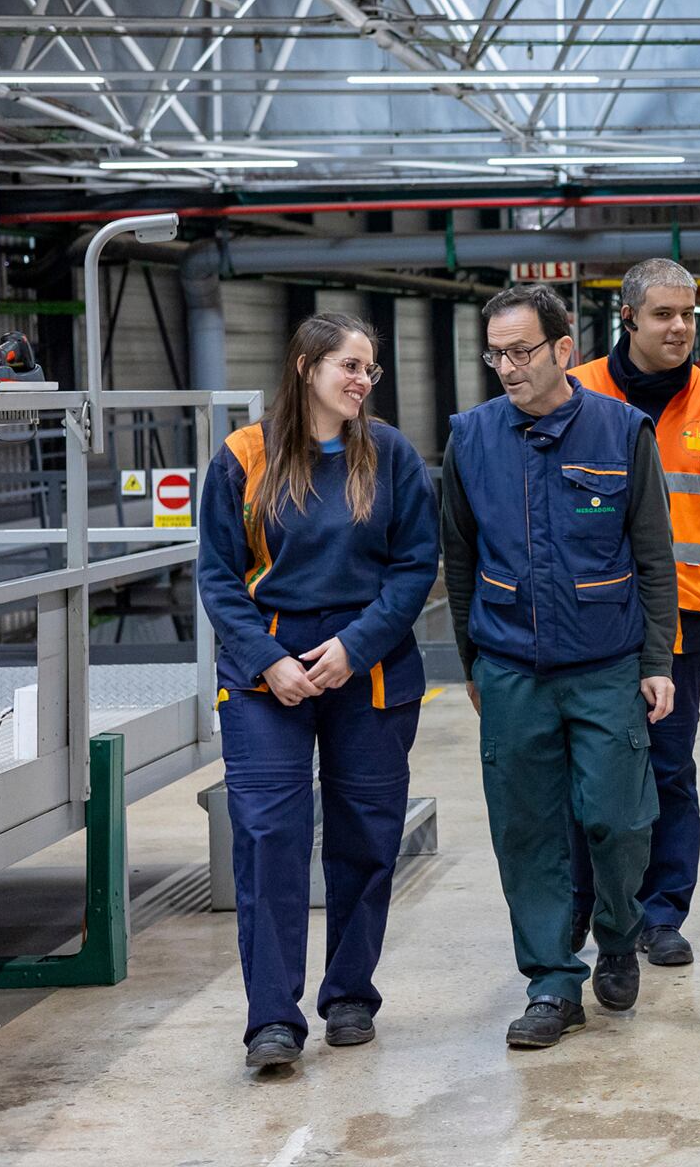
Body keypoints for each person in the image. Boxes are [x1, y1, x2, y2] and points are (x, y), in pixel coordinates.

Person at [199, 313, 438, 1070]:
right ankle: (272, 1018)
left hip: (365, 667)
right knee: (270, 838)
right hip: (266, 675)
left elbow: (413, 567)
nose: (362, 379)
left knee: (366, 837)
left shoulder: (390, 455)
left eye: (369, 367)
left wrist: (353, 646)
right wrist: (270, 660)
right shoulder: (245, 456)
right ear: (306, 367)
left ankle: (348, 997)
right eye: (349, 365)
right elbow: (216, 576)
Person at [441, 284, 678, 1048]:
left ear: (563, 350)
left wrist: (657, 659)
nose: (507, 368)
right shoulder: (470, 439)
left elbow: (653, 555)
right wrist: (472, 659)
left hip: (606, 664)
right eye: (496, 354)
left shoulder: (620, 431)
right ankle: (551, 982)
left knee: (617, 818)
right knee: (527, 830)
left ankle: (616, 932)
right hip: (511, 667)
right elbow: (459, 557)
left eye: (521, 352)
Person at [567, 258, 700, 968]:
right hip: (593, 620)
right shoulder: (578, 392)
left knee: (670, 767)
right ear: (630, 319)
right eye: (664, 315)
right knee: (590, 769)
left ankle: (662, 912)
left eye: (688, 315)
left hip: (686, 620)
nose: (680, 328)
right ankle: (587, 905)